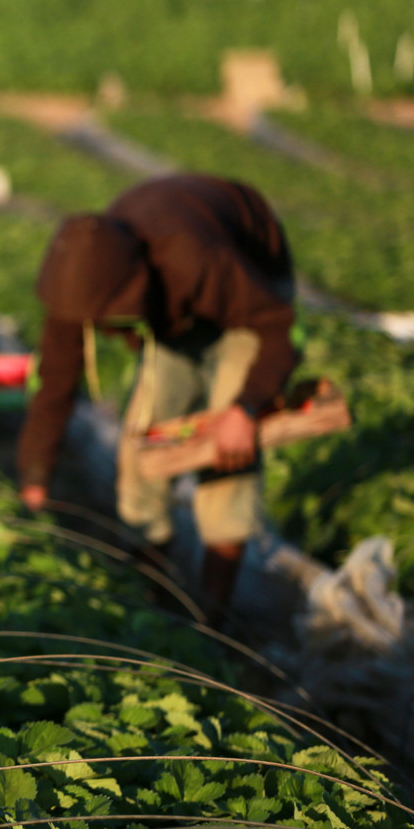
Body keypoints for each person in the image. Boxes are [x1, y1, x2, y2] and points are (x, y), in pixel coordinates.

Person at [17, 173, 299, 623]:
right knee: (141, 446)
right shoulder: (82, 279)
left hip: (249, 294)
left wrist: (245, 408)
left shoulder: (197, 261)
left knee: (227, 454)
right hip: (176, 306)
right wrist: (34, 481)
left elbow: (278, 329)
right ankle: (154, 601)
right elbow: (55, 380)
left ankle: (213, 618)